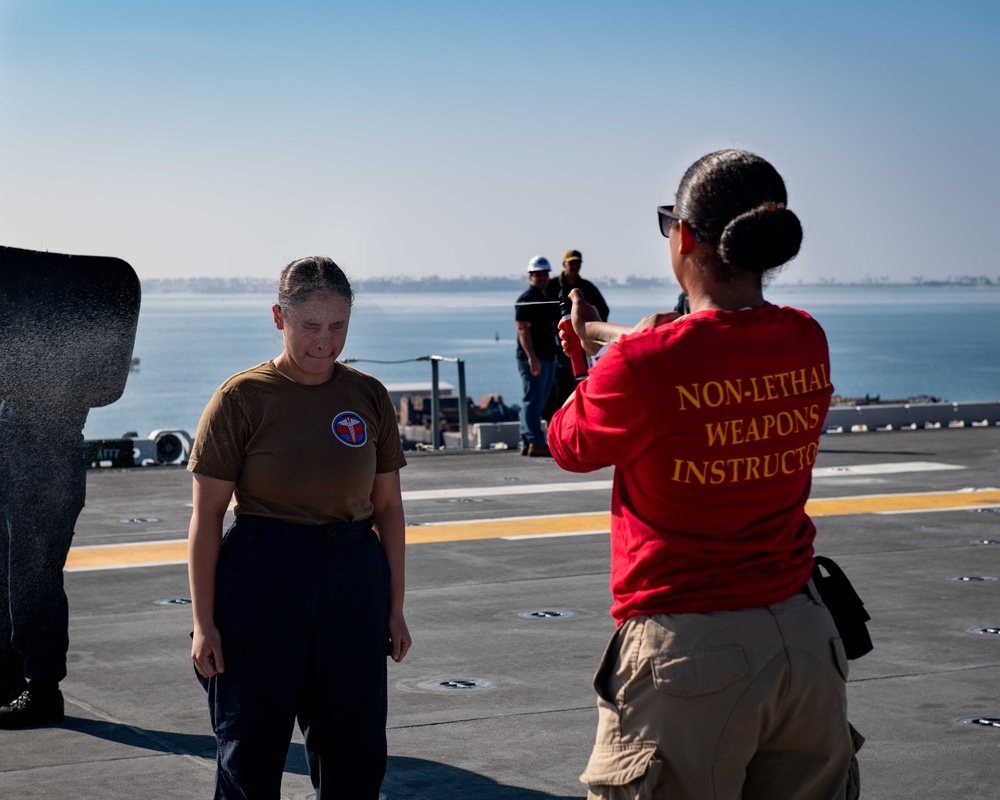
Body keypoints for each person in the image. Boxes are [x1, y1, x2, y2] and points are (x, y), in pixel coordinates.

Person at [547, 150, 860, 799]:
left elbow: (570, 445)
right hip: (805, 643)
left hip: (691, 654)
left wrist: (594, 362)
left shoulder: (642, 360)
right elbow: (721, 363)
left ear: (683, 235)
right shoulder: (807, 338)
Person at [187, 256, 411, 799]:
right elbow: (208, 515)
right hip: (264, 575)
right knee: (250, 751)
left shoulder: (368, 396)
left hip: (353, 574)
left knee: (355, 753)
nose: (324, 341)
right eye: (310, 326)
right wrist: (203, 624)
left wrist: (395, 607)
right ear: (278, 318)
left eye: (338, 326)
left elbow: (388, 510)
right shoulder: (241, 398)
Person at [0, 247, 140, 729]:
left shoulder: (49, 358)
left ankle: (40, 689)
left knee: (33, 574)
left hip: (44, 451)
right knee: (11, 568)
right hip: (23, 444)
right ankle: (13, 676)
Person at [543, 249, 610, 417]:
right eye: (571, 263)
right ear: (564, 264)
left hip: (582, 349)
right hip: (557, 350)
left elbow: (603, 310)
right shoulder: (551, 286)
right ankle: (558, 431)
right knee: (557, 395)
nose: (574, 266)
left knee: (582, 390)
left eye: (577, 263)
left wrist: (594, 334)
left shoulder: (587, 287)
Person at [515, 255, 560, 457]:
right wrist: (532, 358)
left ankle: (528, 440)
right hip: (535, 359)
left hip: (547, 357)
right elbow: (522, 329)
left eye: (545, 274)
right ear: (530, 276)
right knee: (533, 400)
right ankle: (535, 440)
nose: (542, 278)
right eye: (538, 274)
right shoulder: (526, 300)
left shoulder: (544, 297)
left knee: (537, 401)